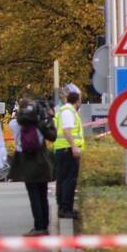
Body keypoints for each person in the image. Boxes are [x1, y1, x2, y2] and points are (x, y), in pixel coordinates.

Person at [9, 98, 56, 235]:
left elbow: (15, 120)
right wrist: (47, 117)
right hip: (42, 161)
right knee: (42, 195)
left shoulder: (17, 124)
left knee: (34, 196)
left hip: (28, 163)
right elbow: (53, 136)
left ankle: (38, 226)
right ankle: (44, 225)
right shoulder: (41, 124)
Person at [53, 84, 84, 219]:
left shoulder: (64, 110)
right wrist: (74, 147)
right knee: (68, 180)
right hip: (67, 150)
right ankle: (66, 208)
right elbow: (67, 131)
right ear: (77, 100)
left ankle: (63, 207)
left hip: (63, 149)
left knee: (63, 180)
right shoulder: (68, 112)